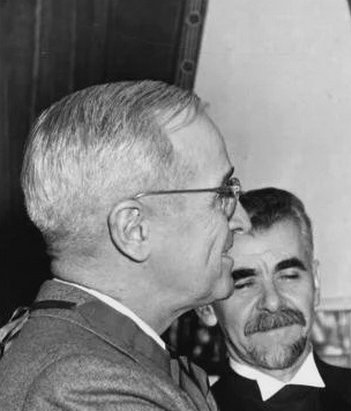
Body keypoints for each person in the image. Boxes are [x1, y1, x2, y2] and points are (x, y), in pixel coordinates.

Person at [0, 80, 251, 410]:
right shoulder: (85, 384)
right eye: (222, 194)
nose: (242, 221)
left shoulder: (91, 350)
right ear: (135, 230)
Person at [196, 187, 351, 411]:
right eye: (245, 284)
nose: (272, 302)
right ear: (206, 307)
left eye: (288, 276)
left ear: (316, 282)